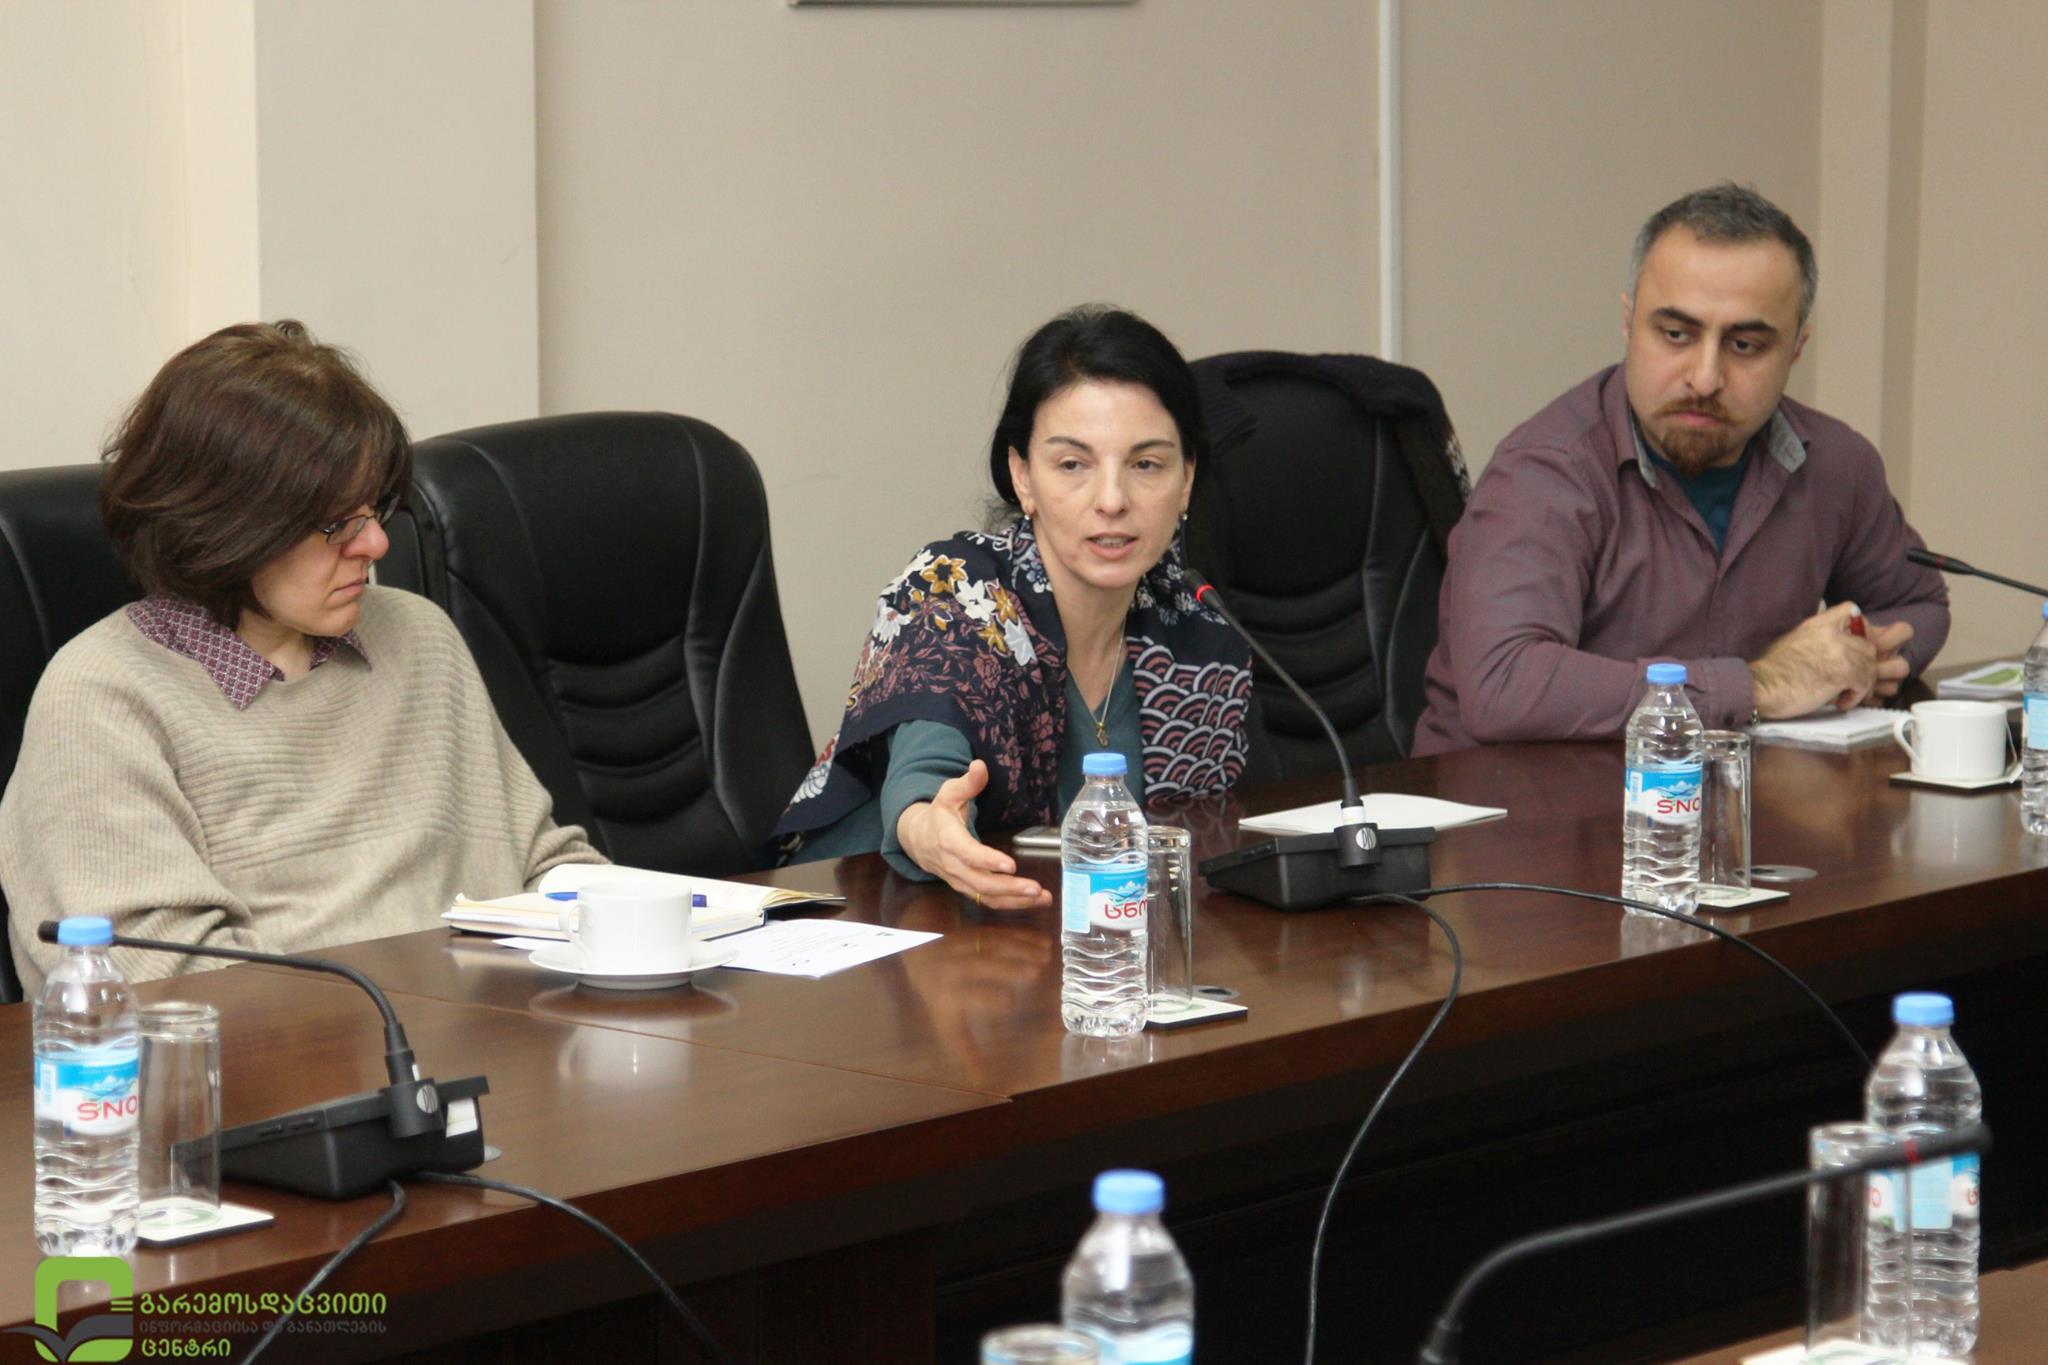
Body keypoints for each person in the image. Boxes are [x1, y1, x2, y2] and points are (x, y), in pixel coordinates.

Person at [2, 320, 603, 992]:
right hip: (300, 1051)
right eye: (335, 524)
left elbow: (539, 863)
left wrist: (647, 925)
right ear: (221, 525)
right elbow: (162, 981)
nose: (375, 544)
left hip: (486, 1032)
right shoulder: (102, 698)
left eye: (375, 509)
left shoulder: (419, 637)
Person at [1413, 184, 1949, 753]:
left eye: (1745, 345)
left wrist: (1855, 659)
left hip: (1727, 793)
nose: (1705, 377)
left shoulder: (1835, 463)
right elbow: (1504, 684)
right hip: (1516, 799)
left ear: (1796, 347)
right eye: (1675, 335)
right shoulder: (1546, 471)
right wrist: (1762, 684)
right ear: (1628, 322)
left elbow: (1918, 605)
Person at [775, 305, 1252, 908]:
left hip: (1066, 931)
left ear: (1186, 480)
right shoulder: (957, 592)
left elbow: (1190, 851)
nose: (1112, 499)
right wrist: (928, 823)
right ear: (1022, 475)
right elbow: (926, 774)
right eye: (1073, 464)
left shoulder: (1199, 635)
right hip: (865, 919)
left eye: (1146, 464)